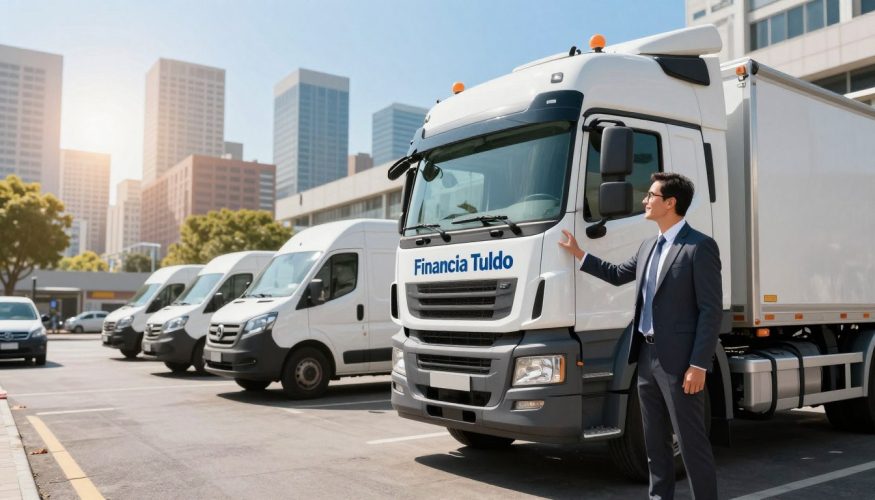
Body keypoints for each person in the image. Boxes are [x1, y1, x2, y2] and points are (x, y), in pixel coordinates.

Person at [559, 172, 721, 500]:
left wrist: (699, 365)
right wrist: (580, 254)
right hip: (645, 358)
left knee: (691, 444)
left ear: (671, 203)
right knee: (654, 443)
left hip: (680, 363)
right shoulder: (648, 246)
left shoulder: (699, 247)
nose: (645, 201)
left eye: (651, 196)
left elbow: (710, 311)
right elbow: (619, 275)